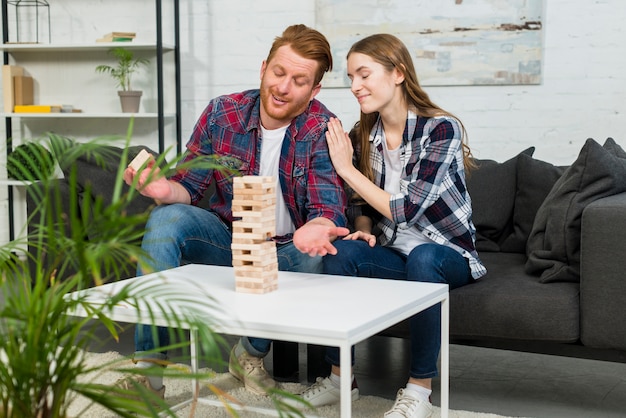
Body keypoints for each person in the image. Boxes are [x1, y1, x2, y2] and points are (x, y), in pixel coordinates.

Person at [119, 24, 349, 399]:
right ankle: (149, 371)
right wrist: (163, 189)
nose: (283, 87)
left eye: (299, 80)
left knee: (316, 260)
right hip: (229, 242)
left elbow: (328, 208)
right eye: (278, 72)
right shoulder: (222, 113)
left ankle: (248, 353)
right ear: (263, 68)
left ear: (314, 90)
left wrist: (318, 227)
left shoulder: (321, 128)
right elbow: (188, 188)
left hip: (287, 249)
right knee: (165, 217)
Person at [287, 34, 486, 418]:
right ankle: (340, 379)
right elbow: (360, 202)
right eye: (350, 77)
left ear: (398, 73)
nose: (355, 86)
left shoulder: (441, 130)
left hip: (448, 255)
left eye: (364, 74)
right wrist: (363, 227)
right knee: (341, 252)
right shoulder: (364, 136)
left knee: (425, 258)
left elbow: (407, 209)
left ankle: (418, 391)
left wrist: (345, 168)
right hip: (396, 252)